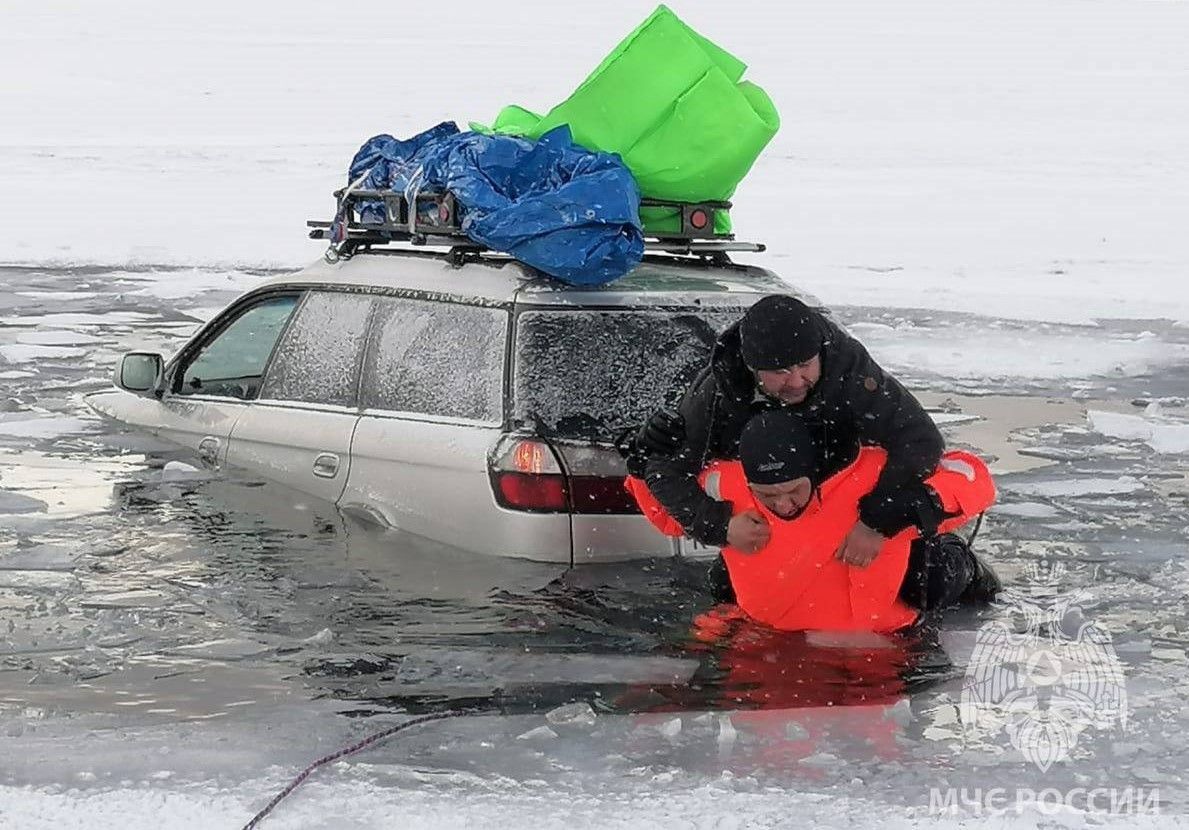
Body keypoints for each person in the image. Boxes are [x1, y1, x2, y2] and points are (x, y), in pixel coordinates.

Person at [629, 294, 947, 569]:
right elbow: (666, 469)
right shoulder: (721, 391)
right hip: (769, 553)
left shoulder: (849, 371)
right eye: (780, 372)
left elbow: (920, 440)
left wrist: (877, 521)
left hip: (848, 538)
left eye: (805, 365)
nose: (795, 381)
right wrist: (721, 525)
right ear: (753, 369)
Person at [627, 409, 1001, 632]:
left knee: (936, 572)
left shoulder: (874, 474)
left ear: (814, 472)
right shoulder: (726, 483)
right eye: (768, 495)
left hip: (888, 642)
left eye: (793, 490)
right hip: (777, 644)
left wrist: (900, 509)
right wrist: (644, 463)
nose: (784, 504)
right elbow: (667, 515)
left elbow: (973, 475)